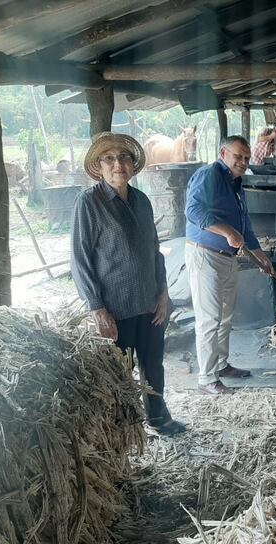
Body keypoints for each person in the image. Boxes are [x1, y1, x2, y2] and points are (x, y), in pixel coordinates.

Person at [71, 132, 186, 435]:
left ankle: (159, 419)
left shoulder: (142, 200)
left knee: (153, 366)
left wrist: (164, 294)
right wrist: (97, 309)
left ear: (133, 164)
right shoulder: (89, 203)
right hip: (116, 308)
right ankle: (122, 432)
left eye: (123, 157)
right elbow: (80, 260)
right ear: (99, 166)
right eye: (109, 158)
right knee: (119, 374)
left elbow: (154, 250)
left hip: (150, 303)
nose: (117, 164)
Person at [184, 135, 274, 395]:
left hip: (226, 257)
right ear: (223, 153)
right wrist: (226, 231)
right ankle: (206, 378)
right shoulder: (208, 175)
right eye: (238, 156)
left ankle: (221, 365)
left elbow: (244, 223)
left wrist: (259, 255)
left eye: (246, 158)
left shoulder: (236, 183)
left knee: (224, 317)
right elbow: (194, 211)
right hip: (205, 255)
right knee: (209, 319)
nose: (243, 162)